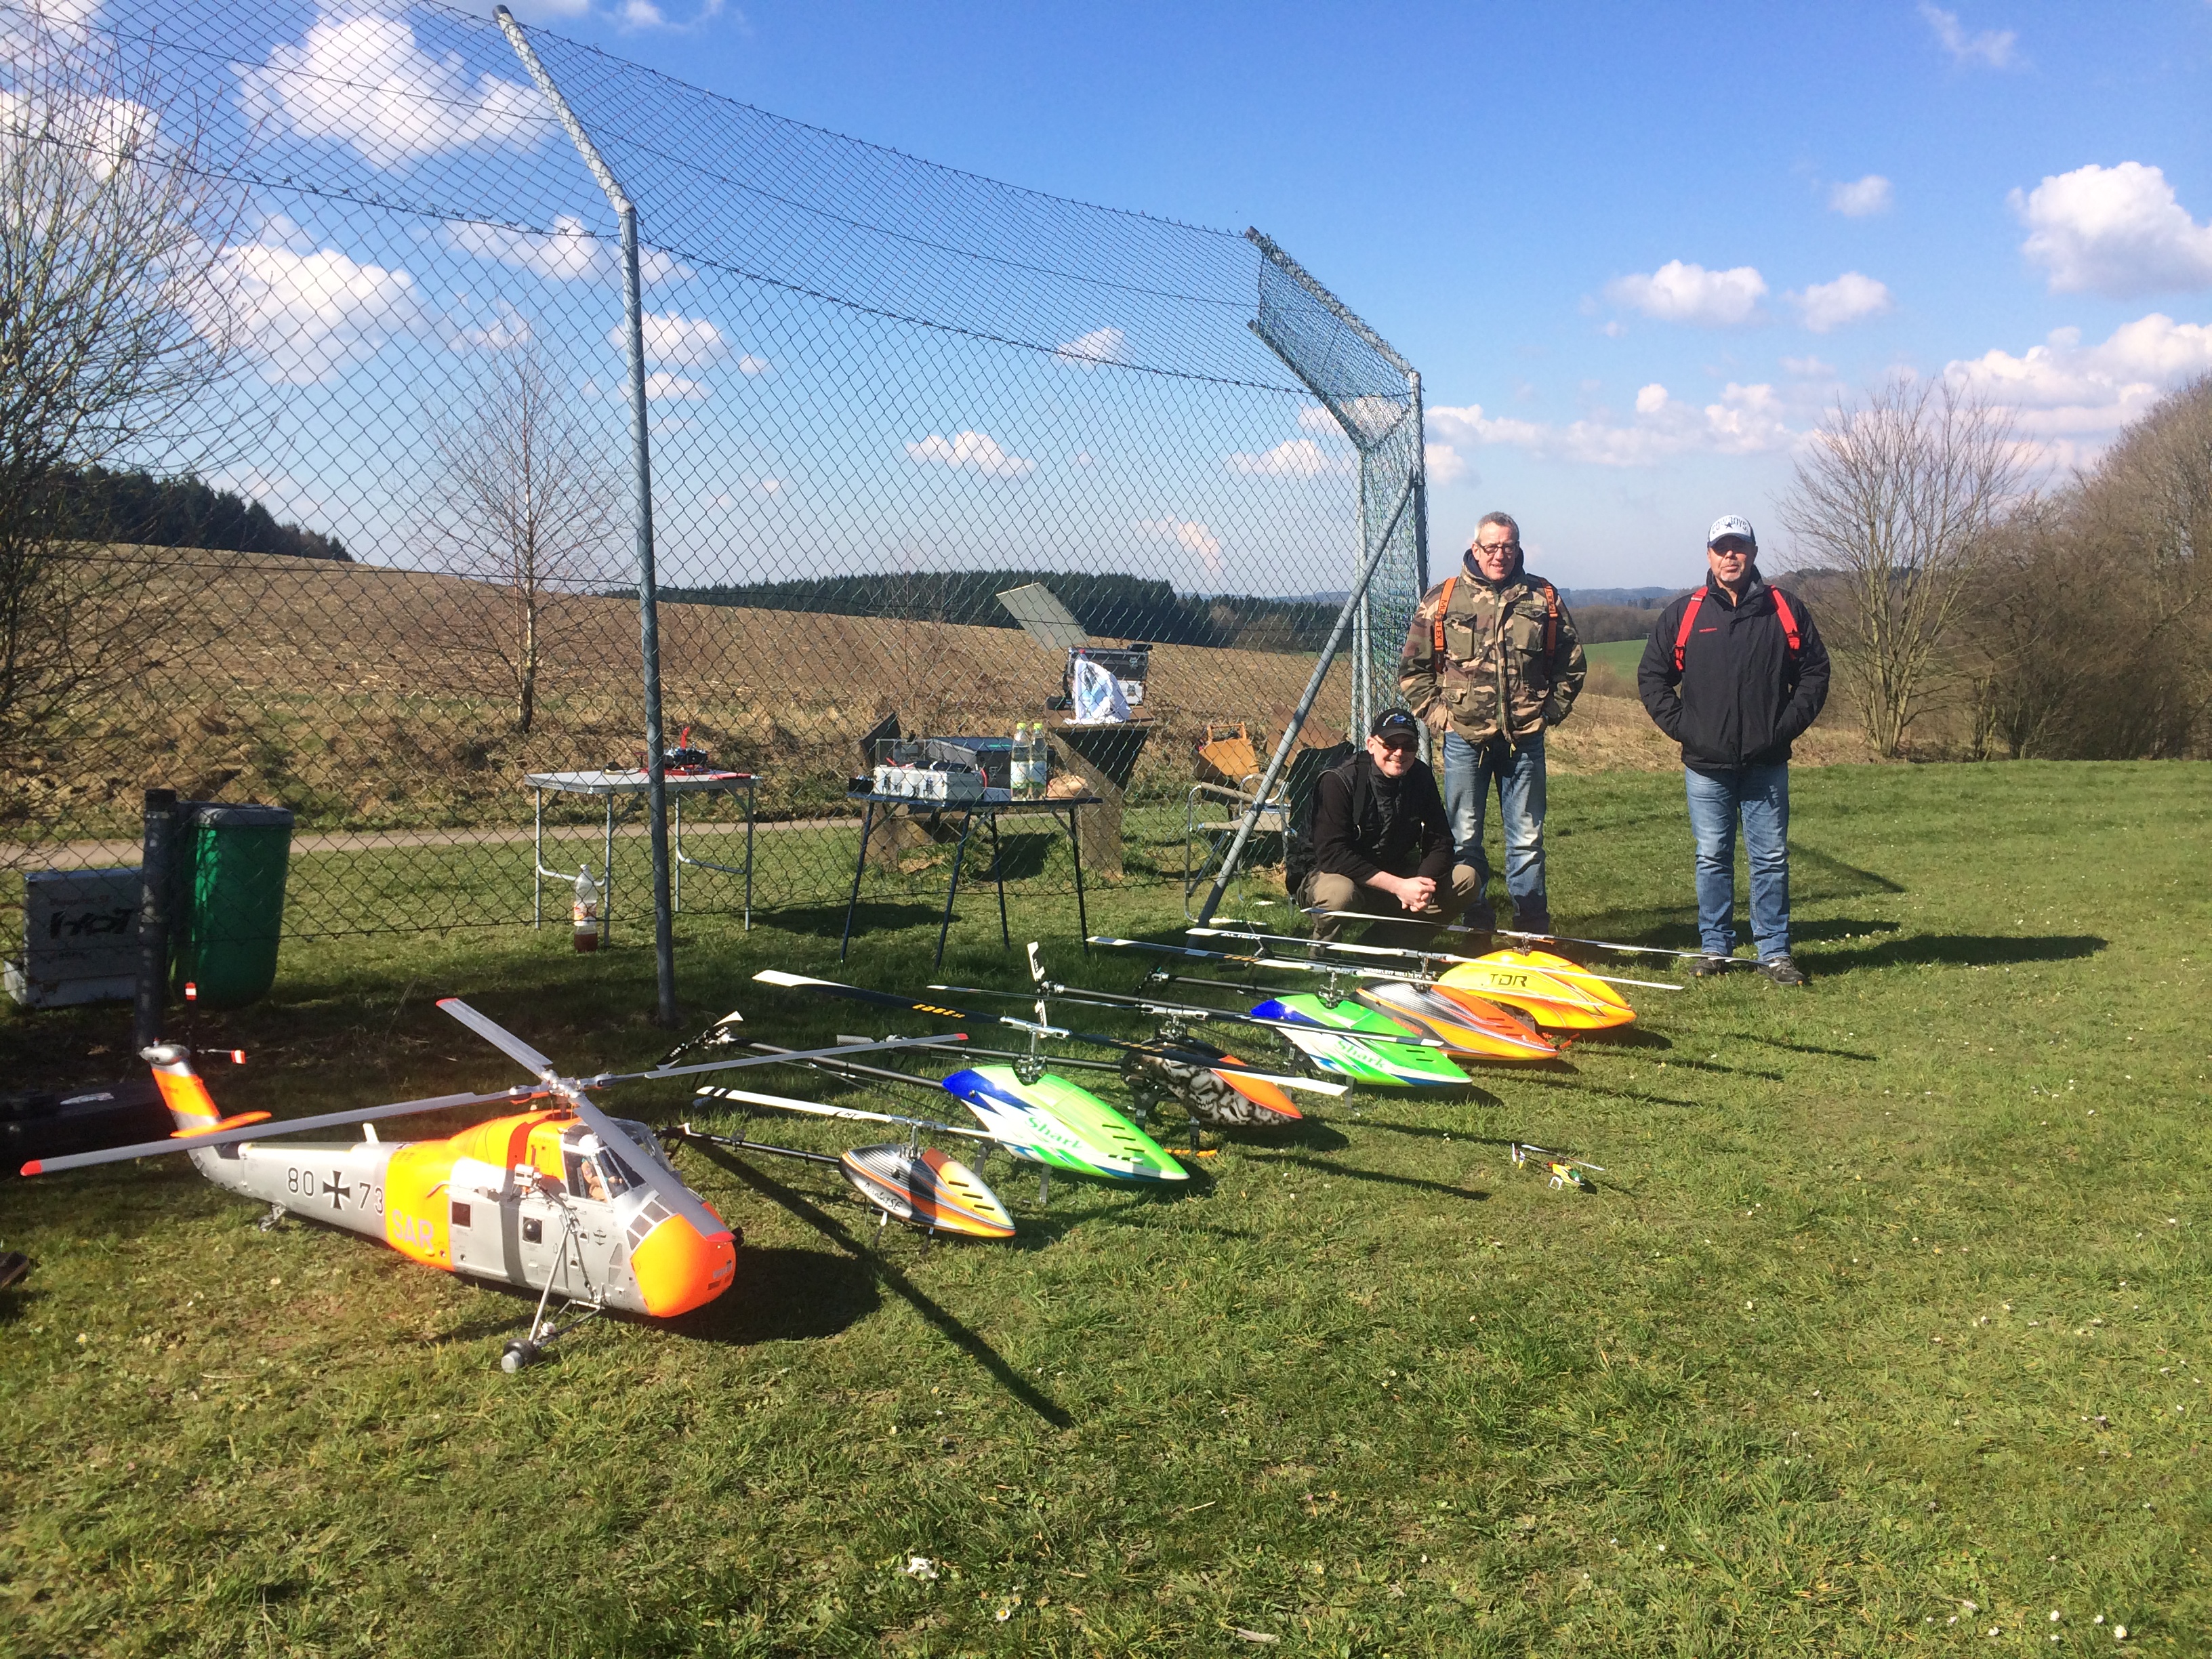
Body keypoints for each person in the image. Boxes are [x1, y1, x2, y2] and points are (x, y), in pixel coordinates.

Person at [1636, 514, 1831, 986]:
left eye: (1739, 547)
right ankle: (1715, 948)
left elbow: (1815, 674)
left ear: (1754, 552)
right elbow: (1653, 677)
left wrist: (1782, 730)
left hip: (1767, 763)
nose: (1730, 555)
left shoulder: (1784, 609)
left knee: (1771, 859)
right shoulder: (1685, 614)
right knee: (1712, 857)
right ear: (1709, 555)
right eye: (1721, 547)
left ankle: (1775, 952)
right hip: (1706, 766)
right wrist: (1687, 730)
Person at [1397, 510, 1585, 938]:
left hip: (1525, 742)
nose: (1500, 555)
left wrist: (1548, 713)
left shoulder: (1543, 598)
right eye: (1492, 547)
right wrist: (1442, 717)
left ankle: (1531, 930)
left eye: (1508, 546)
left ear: (1518, 548)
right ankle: (1476, 927)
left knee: (1527, 840)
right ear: (1476, 548)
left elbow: (1572, 664)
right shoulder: (1443, 599)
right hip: (1464, 741)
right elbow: (1413, 671)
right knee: (1464, 838)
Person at [1301, 708, 1477, 945]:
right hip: (1335, 874)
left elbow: (1440, 840)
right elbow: (1332, 855)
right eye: (1390, 744)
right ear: (1371, 745)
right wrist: (1398, 886)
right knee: (1338, 895)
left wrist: (1420, 885)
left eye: (1409, 745)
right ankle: (1324, 954)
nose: (1399, 753)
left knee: (1466, 878)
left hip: (1396, 870)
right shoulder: (1339, 779)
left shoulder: (1420, 776)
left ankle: (1382, 946)